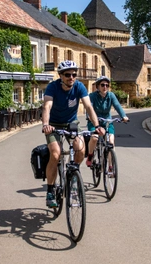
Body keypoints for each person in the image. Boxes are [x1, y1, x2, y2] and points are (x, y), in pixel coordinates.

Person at [42, 60, 105, 208]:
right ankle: (50, 191)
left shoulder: (79, 86)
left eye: (74, 74)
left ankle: (73, 175)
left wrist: (97, 126)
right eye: (67, 75)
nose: (71, 77)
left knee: (81, 149)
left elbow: (88, 106)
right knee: (56, 154)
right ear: (60, 76)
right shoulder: (53, 87)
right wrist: (46, 124)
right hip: (53, 124)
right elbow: (47, 106)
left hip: (71, 123)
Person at [86, 76, 129, 167]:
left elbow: (117, 106)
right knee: (94, 138)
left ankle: (110, 166)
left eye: (107, 85)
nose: (105, 87)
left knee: (111, 142)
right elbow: (89, 108)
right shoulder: (92, 96)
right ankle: (90, 155)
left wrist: (123, 116)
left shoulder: (111, 95)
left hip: (107, 121)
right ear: (98, 86)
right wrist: (89, 116)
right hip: (94, 121)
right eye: (102, 85)